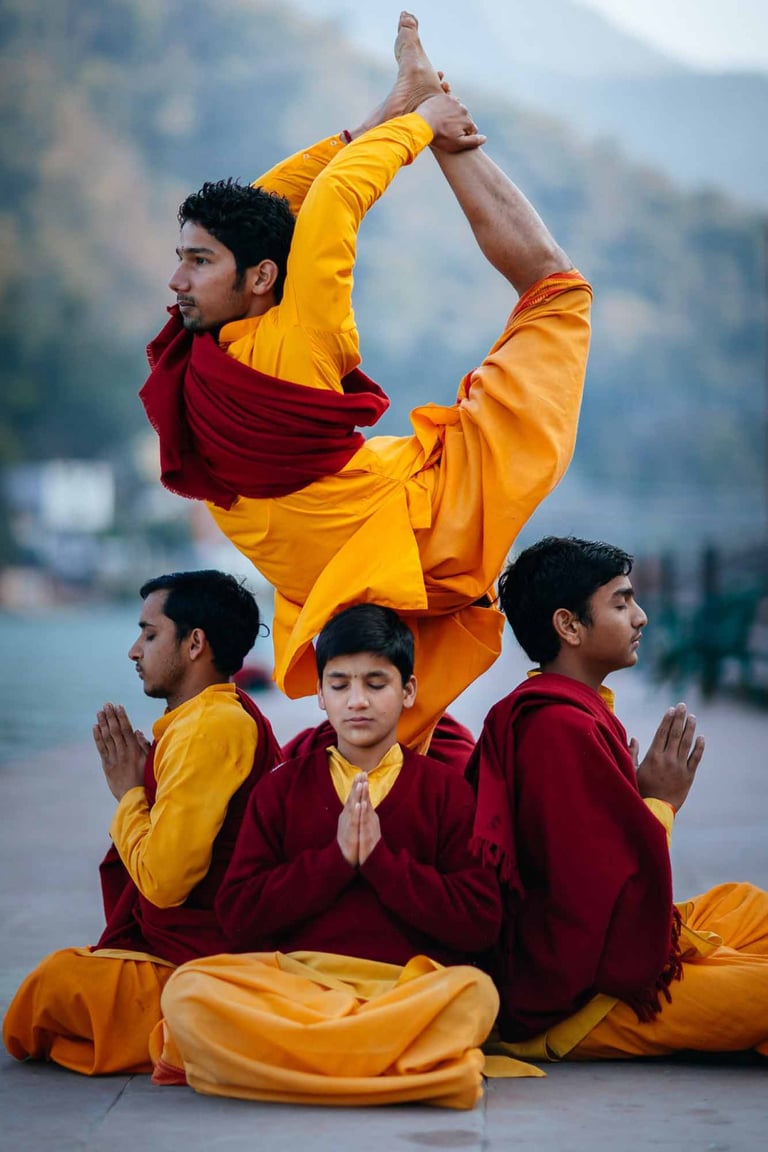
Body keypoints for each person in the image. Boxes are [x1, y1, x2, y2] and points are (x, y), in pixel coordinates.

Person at [139, 12, 592, 752]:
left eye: (197, 262)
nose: (176, 280)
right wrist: (398, 111)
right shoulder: (218, 334)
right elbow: (271, 205)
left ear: (258, 278)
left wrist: (420, 129)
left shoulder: (298, 331)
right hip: (382, 549)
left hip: (417, 532)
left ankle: (440, 128)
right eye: (182, 257)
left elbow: (336, 198)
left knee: (555, 290)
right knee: (557, 290)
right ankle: (424, 108)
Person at [148, 604, 526, 1109]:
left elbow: (480, 922)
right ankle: (397, 1070)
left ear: (408, 691)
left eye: (376, 682)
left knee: (475, 993)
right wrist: (335, 860)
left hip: (401, 990)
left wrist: (380, 863)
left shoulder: (444, 791)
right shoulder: (281, 789)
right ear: (321, 695)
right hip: (299, 987)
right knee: (188, 990)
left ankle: (291, 1069)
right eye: (341, 684)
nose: (358, 701)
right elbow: (238, 917)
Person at [468, 536, 768, 1062]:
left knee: (747, 905)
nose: (642, 618)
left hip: (603, 948)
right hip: (578, 998)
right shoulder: (556, 726)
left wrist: (631, 800)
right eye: (622, 602)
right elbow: (594, 901)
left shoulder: (571, 711)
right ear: (569, 626)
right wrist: (658, 804)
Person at [3, 570, 281, 1076]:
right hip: (206, 952)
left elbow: (166, 883)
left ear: (195, 643)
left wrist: (130, 793)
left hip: (202, 963)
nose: (134, 650)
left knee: (43, 993)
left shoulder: (210, 726)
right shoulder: (216, 716)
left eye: (150, 634)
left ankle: (177, 1027)